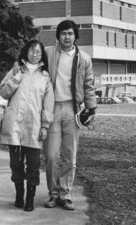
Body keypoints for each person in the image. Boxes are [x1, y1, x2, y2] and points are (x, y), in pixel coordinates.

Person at [43, 20, 97, 211]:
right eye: (63, 33)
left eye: (70, 33)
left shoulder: (84, 58)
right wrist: (18, 64)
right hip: (51, 109)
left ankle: (65, 195)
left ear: (75, 36)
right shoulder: (48, 53)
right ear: (58, 36)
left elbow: (89, 85)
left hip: (73, 111)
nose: (67, 37)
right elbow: (30, 60)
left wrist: (91, 109)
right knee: (50, 155)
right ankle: (52, 194)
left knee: (69, 156)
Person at [0, 40, 54, 212]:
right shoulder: (16, 70)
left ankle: (30, 197)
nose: (34, 54)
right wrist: (16, 77)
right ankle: (18, 194)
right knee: (15, 164)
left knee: (33, 165)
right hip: (14, 125)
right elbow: (3, 92)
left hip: (34, 127)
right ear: (26, 52)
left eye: (38, 51)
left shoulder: (45, 76)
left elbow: (48, 103)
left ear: (42, 54)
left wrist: (45, 126)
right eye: (31, 50)